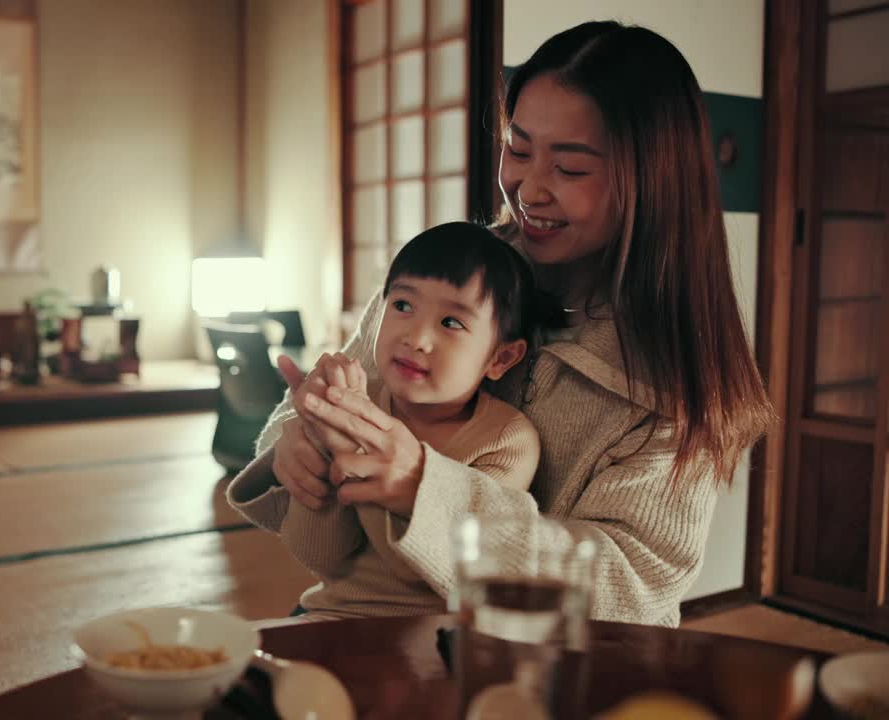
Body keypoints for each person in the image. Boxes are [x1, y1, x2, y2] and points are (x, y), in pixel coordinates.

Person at [245, 21, 774, 628]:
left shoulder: (673, 375)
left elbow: (633, 587)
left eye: (571, 169)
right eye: (518, 149)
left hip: (548, 669)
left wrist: (425, 490)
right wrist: (295, 447)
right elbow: (325, 415)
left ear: (650, 185)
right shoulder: (450, 284)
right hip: (361, 624)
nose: (528, 189)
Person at [229, 222, 553, 619]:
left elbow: (416, 572)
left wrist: (354, 442)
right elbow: (319, 555)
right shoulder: (362, 400)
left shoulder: (505, 440)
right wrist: (319, 436)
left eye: (451, 322)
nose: (416, 337)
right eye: (402, 306)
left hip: (441, 634)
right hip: (331, 614)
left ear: (501, 358)